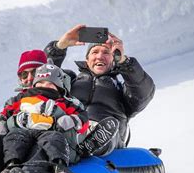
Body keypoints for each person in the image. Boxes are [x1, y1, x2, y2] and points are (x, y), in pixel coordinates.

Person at [44, 24, 155, 153]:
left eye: (106, 52)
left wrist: (125, 62)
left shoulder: (121, 90)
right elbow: (43, 77)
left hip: (106, 141)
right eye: (94, 52)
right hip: (72, 132)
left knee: (104, 132)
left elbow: (143, 93)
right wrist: (59, 47)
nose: (99, 56)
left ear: (114, 60)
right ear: (87, 59)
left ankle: (93, 141)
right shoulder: (70, 80)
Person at [0, 63, 89, 173]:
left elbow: (83, 118)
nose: (45, 86)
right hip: (25, 134)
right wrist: (0, 120)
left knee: (52, 141)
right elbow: (8, 110)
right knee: (14, 139)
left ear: (59, 87)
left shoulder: (64, 102)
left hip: (51, 137)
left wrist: (72, 120)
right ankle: (11, 169)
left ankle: (58, 172)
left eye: (50, 84)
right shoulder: (24, 98)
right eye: (41, 82)